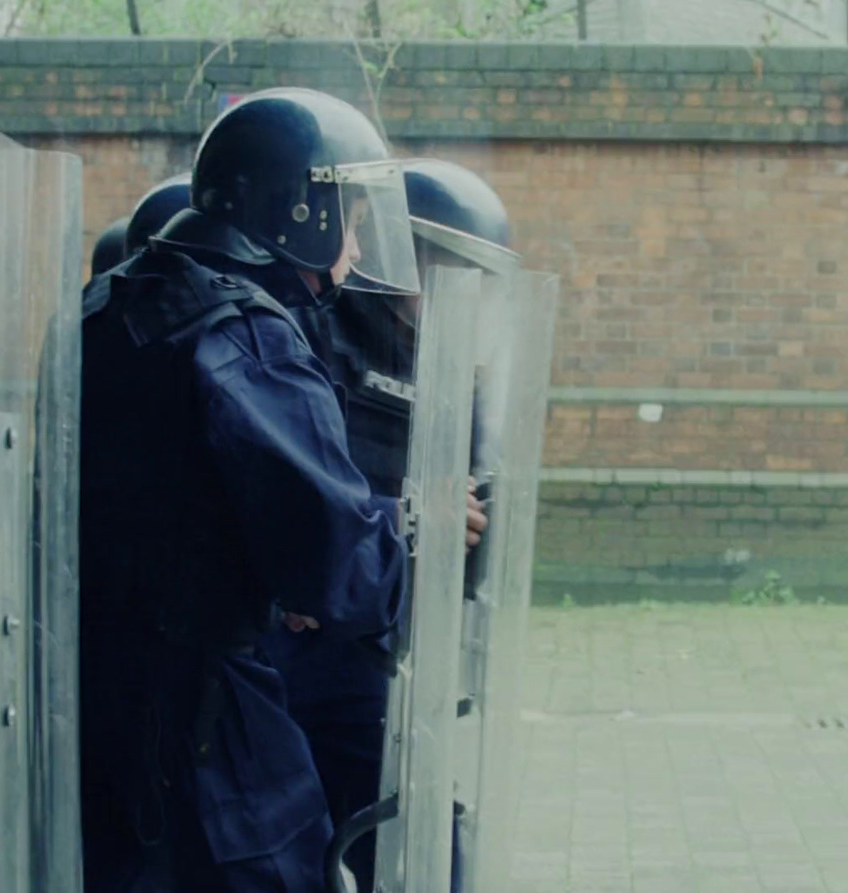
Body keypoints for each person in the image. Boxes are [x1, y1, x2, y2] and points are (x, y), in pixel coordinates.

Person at [77, 86, 418, 893]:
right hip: (208, 728)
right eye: (352, 216)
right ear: (305, 211)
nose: (359, 244)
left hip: (101, 704)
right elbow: (342, 572)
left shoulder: (113, 301)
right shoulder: (247, 334)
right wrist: (412, 543)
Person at [261, 156, 516, 893]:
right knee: (285, 836)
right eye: (438, 265)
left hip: (381, 647)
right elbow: (282, 485)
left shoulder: (454, 375)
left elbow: (470, 521)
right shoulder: (312, 338)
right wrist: (402, 518)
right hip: (289, 639)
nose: (448, 289)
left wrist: (460, 532)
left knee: (424, 832)